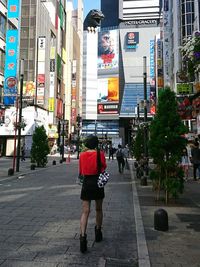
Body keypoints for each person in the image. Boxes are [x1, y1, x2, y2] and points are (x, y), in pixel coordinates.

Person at [79, 135, 107, 253]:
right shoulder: (100, 154)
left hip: (86, 183)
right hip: (97, 183)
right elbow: (103, 168)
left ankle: (83, 238)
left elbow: (80, 171)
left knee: (85, 212)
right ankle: (98, 232)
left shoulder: (82, 155)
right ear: (96, 144)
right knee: (98, 209)